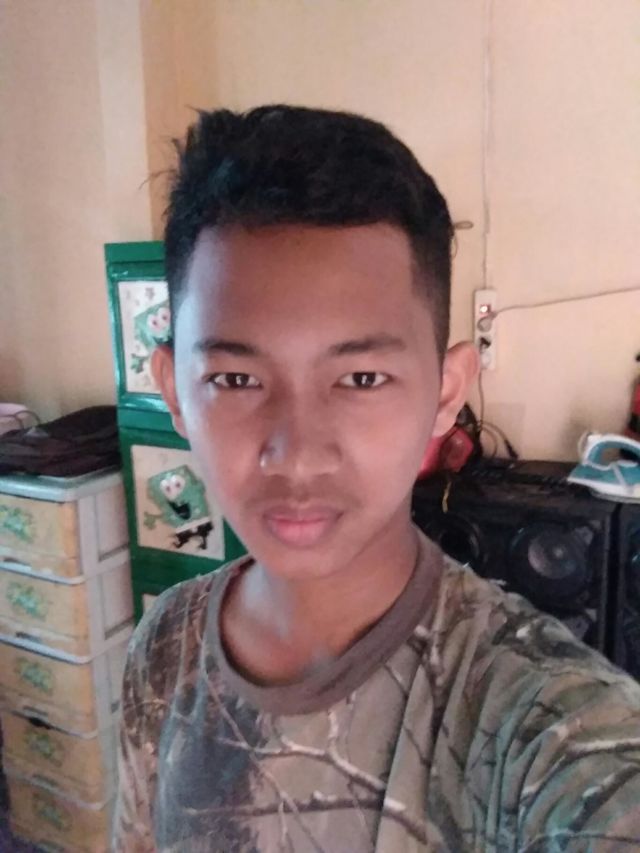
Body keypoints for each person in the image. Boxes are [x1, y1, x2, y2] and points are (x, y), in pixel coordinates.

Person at [113, 105, 640, 852]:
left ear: (446, 392)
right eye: (235, 378)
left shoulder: (542, 725)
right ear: (173, 391)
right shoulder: (164, 646)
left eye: (361, 378)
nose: (297, 455)